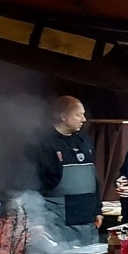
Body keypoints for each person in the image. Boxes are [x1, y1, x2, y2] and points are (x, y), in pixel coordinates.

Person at [32, 96, 101, 246]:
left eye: (83, 114)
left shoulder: (85, 142)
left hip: (88, 222)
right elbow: (32, 184)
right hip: (59, 223)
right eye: (78, 115)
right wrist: (35, 220)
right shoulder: (42, 143)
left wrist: (97, 209)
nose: (83, 119)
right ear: (63, 116)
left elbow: (93, 178)